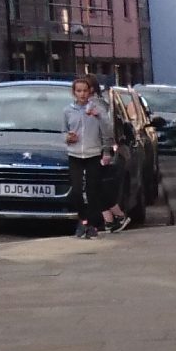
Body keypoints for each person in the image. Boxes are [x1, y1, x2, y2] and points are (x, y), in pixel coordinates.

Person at [61, 75, 127, 238]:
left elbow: (107, 130)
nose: (82, 94)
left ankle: (91, 225)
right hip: (75, 154)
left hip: (92, 154)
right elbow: (63, 131)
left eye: (84, 91)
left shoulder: (96, 108)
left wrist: (105, 151)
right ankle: (84, 221)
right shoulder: (68, 111)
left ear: (89, 92)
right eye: (78, 91)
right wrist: (67, 137)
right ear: (73, 93)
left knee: (92, 191)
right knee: (76, 191)